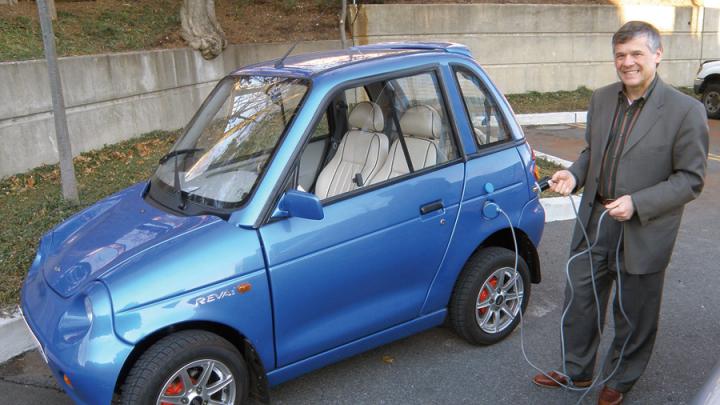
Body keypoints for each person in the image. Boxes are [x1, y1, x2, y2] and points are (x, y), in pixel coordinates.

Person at [531, 21, 709, 405]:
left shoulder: (686, 111)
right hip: (596, 218)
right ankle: (577, 372)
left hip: (644, 227)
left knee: (634, 311)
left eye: (636, 54)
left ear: (657, 55)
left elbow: (690, 180)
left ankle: (619, 379)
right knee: (581, 299)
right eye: (620, 55)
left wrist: (638, 203)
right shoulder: (601, 98)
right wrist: (574, 174)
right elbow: (592, 153)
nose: (627, 63)